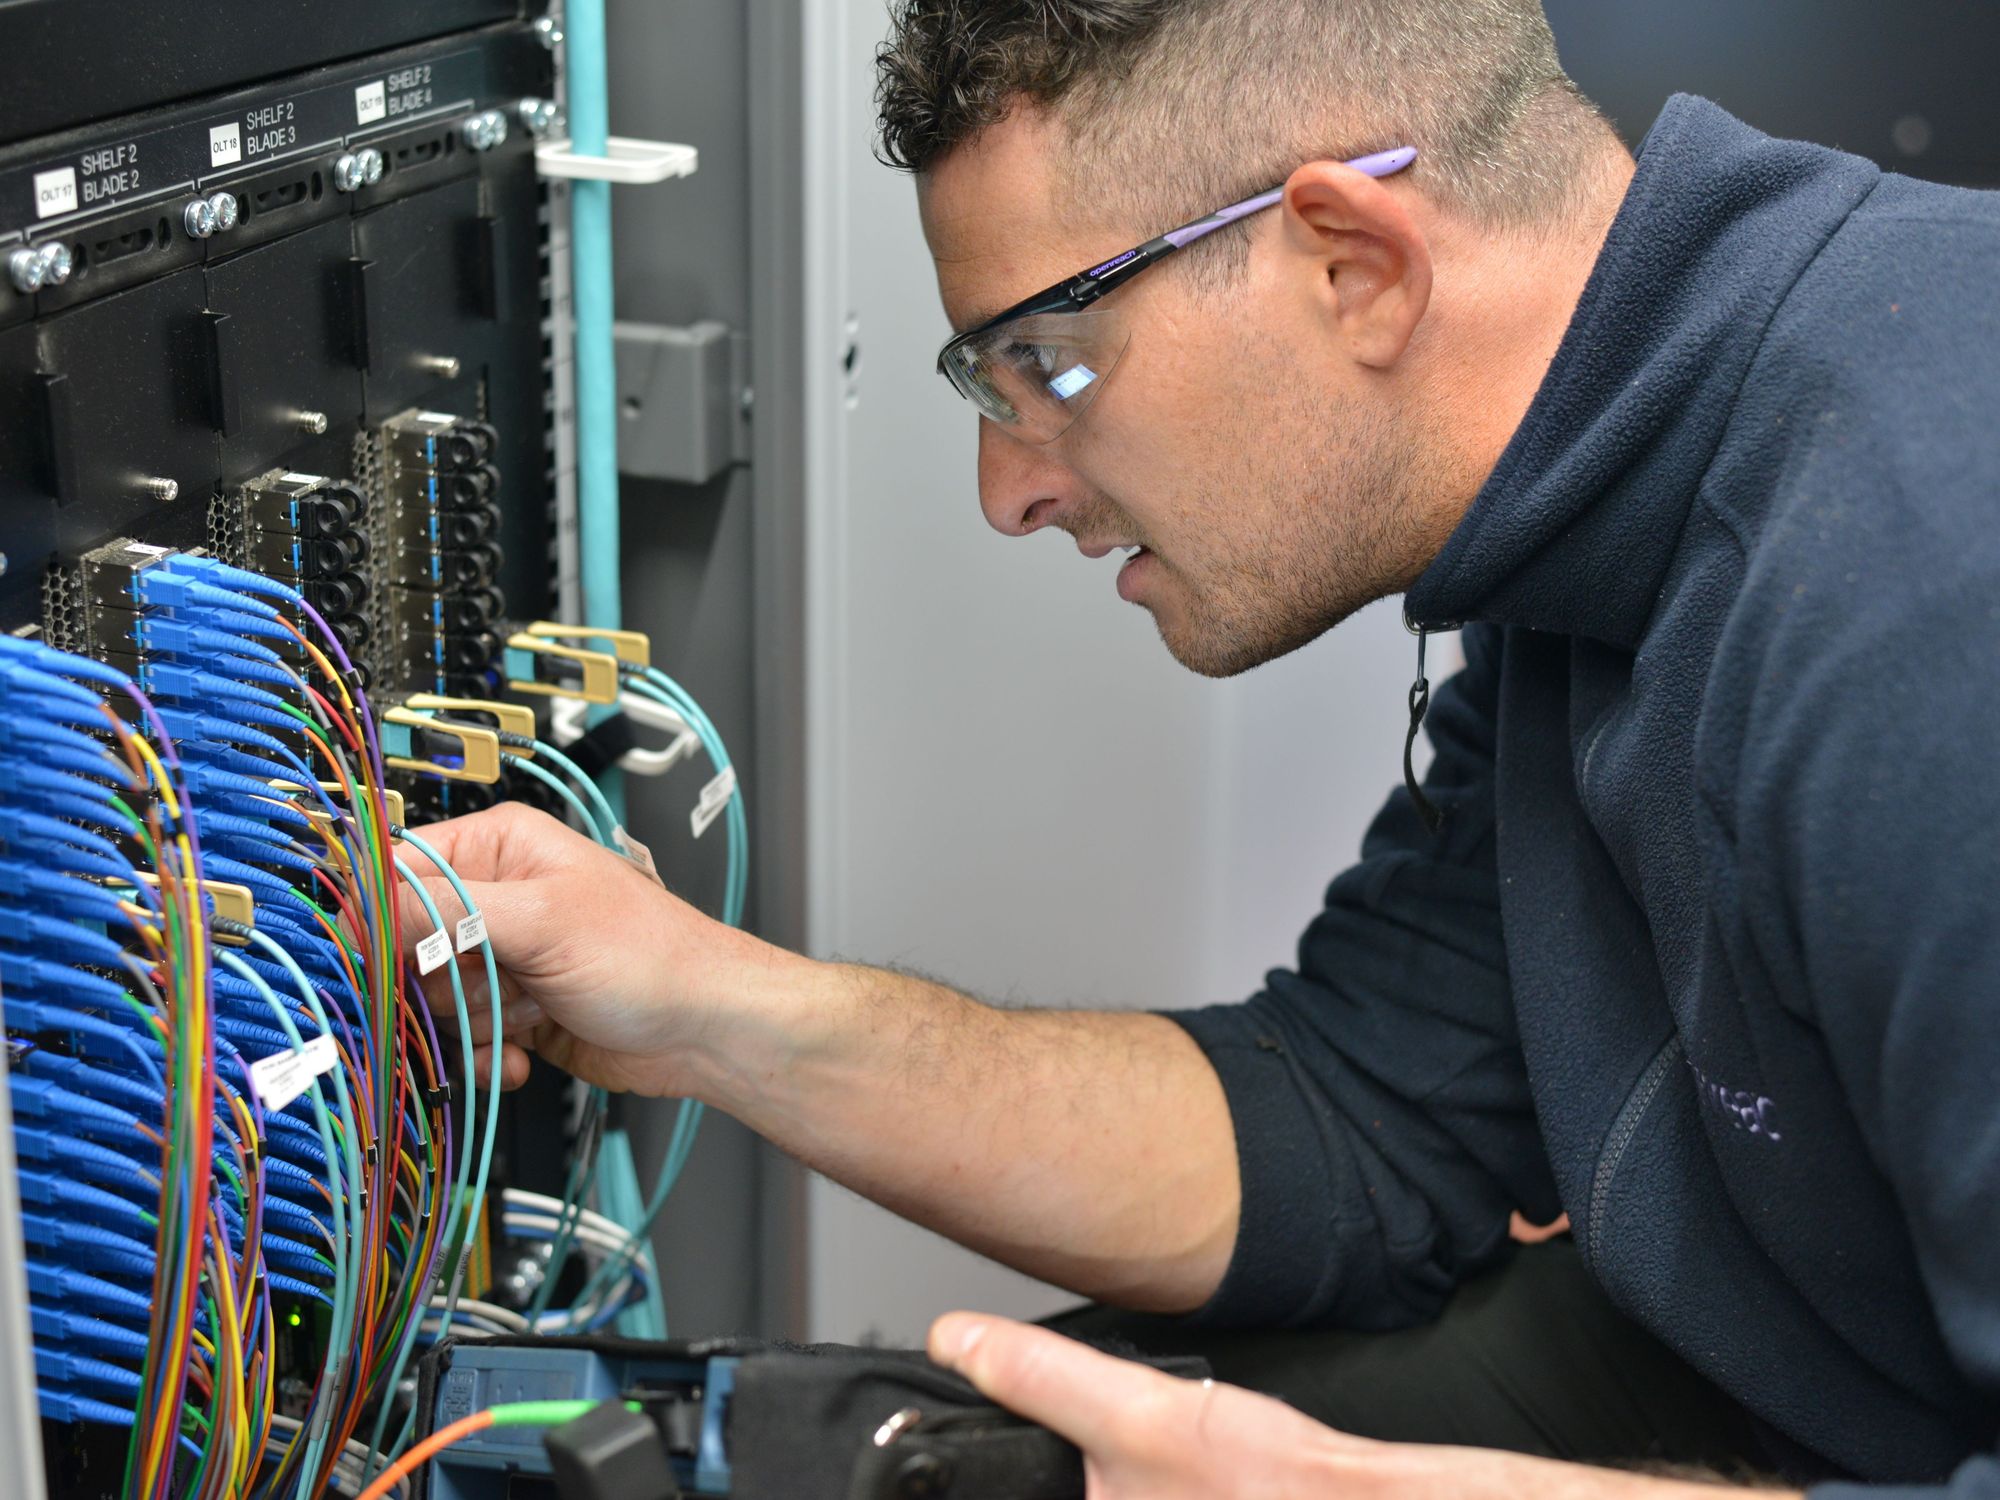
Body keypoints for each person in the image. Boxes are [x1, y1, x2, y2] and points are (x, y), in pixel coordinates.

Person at [403, 1, 2000, 1494]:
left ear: (1353, 265)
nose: (1010, 491)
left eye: (1047, 365)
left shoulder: (1927, 599)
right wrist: (701, 1010)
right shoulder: (1597, 507)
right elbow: (1363, 1125)